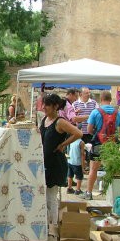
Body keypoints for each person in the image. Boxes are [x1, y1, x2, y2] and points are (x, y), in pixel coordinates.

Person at [40, 94, 82, 224]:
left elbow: (78, 133)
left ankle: (53, 227)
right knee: (44, 196)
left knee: (51, 197)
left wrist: (63, 144)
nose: (44, 107)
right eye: (44, 104)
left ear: (55, 106)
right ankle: (46, 224)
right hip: (44, 163)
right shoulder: (44, 119)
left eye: (47, 105)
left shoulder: (60, 121)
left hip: (55, 163)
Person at [83, 91, 120, 200]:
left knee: (93, 169)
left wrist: (98, 135)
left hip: (98, 143)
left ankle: (89, 193)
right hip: (113, 144)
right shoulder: (118, 113)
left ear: (100, 99)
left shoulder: (95, 112)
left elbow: (89, 129)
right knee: (111, 168)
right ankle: (111, 194)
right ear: (110, 99)